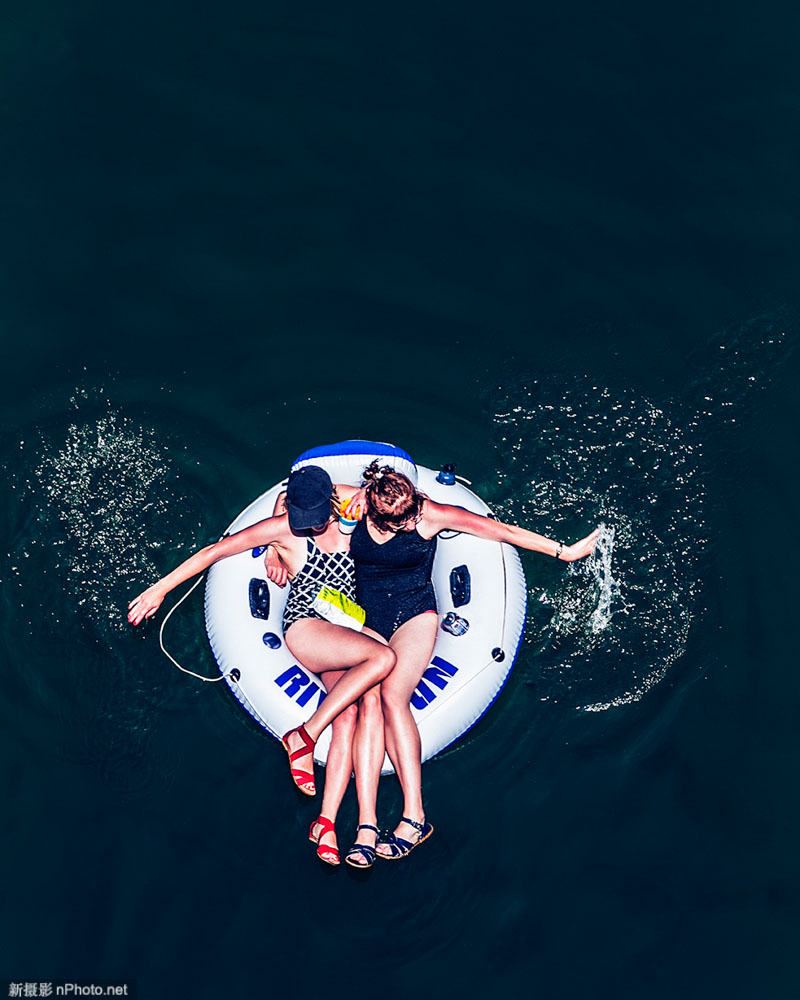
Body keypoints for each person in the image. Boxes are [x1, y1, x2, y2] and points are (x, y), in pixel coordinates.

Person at [268, 460, 600, 865]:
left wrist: (562, 551)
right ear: (373, 504)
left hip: (414, 615)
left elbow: (500, 531)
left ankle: (414, 818)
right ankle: (365, 826)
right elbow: (291, 495)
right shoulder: (353, 499)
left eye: (412, 519)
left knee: (393, 697)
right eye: (399, 523)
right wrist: (272, 548)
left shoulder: (428, 514)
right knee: (367, 702)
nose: (410, 526)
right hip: (364, 620)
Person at [127, 465, 396, 866]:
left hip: (347, 625)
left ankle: (325, 822)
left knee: (351, 712)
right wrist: (159, 589)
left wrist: (367, 492)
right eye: (299, 516)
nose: (309, 525)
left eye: (315, 515)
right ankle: (303, 736)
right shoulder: (283, 527)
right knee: (384, 657)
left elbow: (396, 500)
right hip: (307, 626)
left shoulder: (350, 501)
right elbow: (214, 551)